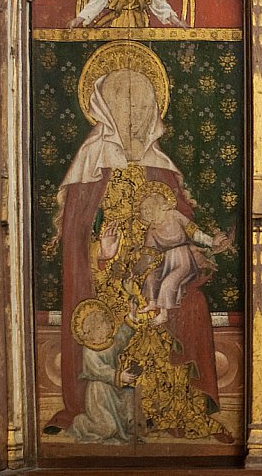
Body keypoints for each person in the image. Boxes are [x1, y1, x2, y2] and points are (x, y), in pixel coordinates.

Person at [47, 42, 223, 440]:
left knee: (190, 303)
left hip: (158, 271)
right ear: (105, 110)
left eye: (141, 108)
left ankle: (180, 404)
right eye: (125, 107)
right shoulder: (90, 161)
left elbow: (183, 226)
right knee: (105, 317)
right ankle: (110, 410)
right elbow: (76, 238)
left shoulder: (160, 164)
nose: (134, 116)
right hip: (107, 277)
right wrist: (102, 255)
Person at [134, 182, 230, 327]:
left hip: (184, 258)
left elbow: (195, 233)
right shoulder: (152, 229)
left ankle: (163, 314)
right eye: (144, 211)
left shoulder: (174, 215)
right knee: (151, 277)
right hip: (166, 261)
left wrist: (211, 242)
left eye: (148, 209)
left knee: (168, 282)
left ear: (158, 206)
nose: (146, 213)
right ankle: (152, 303)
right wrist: (138, 269)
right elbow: (149, 254)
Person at [65, 299, 137, 444]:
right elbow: (99, 371)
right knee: (107, 427)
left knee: (126, 417)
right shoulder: (89, 351)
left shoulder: (108, 343)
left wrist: (131, 314)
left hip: (114, 392)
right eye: (104, 324)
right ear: (95, 329)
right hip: (99, 395)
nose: (110, 326)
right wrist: (119, 376)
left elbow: (121, 339)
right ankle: (81, 423)